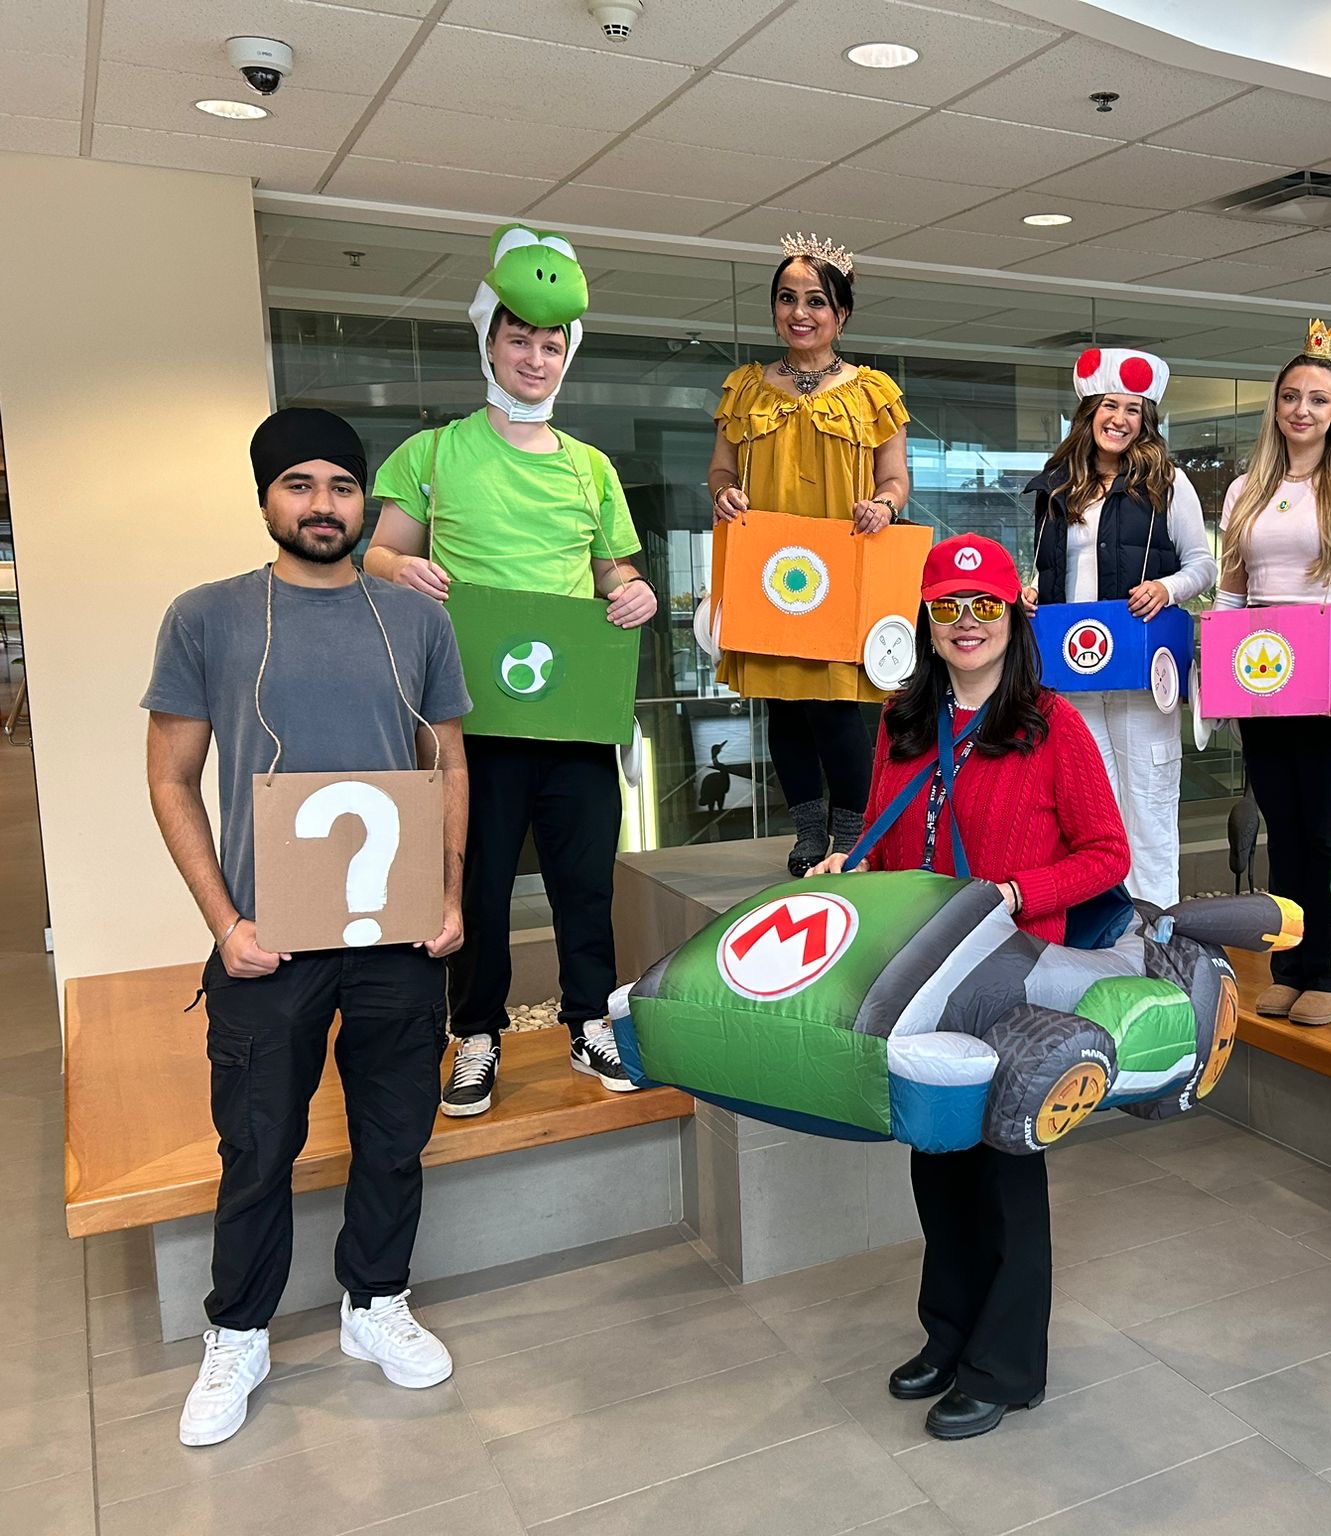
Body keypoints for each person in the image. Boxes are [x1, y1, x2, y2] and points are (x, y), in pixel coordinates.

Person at [143, 409, 471, 1446]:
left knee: (392, 1137)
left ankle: (374, 1302)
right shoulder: (207, 617)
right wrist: (224, 920)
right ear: (266, 498)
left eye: (340, 484)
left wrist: (451, 891)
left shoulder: (414, 620)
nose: (322, 503)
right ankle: (237, 1330)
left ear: (364, 500)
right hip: (267, 941)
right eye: (299, 484)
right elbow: (169, 777)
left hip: (397, 937)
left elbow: (449, 764)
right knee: (258, 1145)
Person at [810, 534, 1127, 1440]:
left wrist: (1023, 892)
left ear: (1011, 617)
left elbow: (1109, 855)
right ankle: (947, 1335)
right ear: (927, 619)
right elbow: (884, 836)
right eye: (947, 607)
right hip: (922, 979)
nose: (965, 623)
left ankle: (1006, 1364)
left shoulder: (1051, 725)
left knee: (1005, 1171)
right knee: (937, 1159)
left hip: (1015, 984)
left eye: (984, 605)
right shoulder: (902, 722)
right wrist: (853, 866)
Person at [365, 225, 656, 1117]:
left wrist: (634, 589)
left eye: (552, 344)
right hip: (470, 716)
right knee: (478, 880)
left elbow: (612, 572)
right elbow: (376, 556)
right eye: (520, 339)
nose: (536, 358)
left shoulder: (591, 468)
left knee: (584, 881)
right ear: (489, 340)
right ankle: (477, 1033)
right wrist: (402, 570)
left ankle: (588, 1021)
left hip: (572, 714)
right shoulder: (434, 454)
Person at [708, 232, 911, 878]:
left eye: (816, 301)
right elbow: (718, 471)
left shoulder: (872, 391)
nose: (800, 312)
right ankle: (807, 828)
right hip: (768, 568)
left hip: (845, 565)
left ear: (841, 313)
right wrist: (726, 495)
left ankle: (851, 830)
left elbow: (897, 479)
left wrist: (884, 505)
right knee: (783, 701)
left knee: (836, 703)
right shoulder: (744, 388)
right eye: (787, 298)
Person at [1215, 320, 1331, 1028]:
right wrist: (1215, 683)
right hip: (1263, 673)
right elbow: (1232, 594)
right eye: (1290, 397)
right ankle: (1291, 964)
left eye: (1317, 399)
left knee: (1329, 829)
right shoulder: (1245, 490)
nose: (1302, 410)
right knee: (1282, 827)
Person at [1021, 347, 1215, 909]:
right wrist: (1033, 593)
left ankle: (1158, 927)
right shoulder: (1056, 487)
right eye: (1110, 405)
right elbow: (1049, 567)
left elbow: (1202, 564)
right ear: (1088, 411)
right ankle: (1105, 928)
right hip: (1072, 672)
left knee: (1150, 799)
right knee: (1091, 808)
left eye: (1134, 409)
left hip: (1139, 666)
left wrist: (1167, 588)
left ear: (1146, 419)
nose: (1121, 419)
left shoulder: (1168, 482)